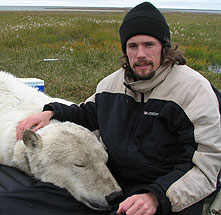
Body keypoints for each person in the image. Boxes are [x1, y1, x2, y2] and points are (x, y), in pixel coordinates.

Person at [4, 2, 221, 215]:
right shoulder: (112, 85)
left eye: (149, 45)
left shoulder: (193, 91)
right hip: (115, 184)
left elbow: (206, 164)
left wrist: (157, 196)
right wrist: (51, 111)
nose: (141, 54)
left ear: (164, 47)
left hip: (166, 193)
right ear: (125, 50)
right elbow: (87, 113)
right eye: (132, 46)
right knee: (13, 205)